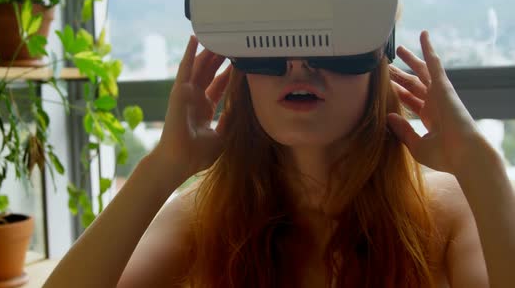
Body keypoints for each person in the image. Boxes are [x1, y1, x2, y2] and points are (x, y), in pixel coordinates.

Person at [43, 30, 515, 287]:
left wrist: (481, 168)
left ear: (379, 58)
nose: (298, 62)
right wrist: (163, 168)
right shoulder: (202, 218)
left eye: (330, 36)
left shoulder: (449, 214)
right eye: (271, 39)